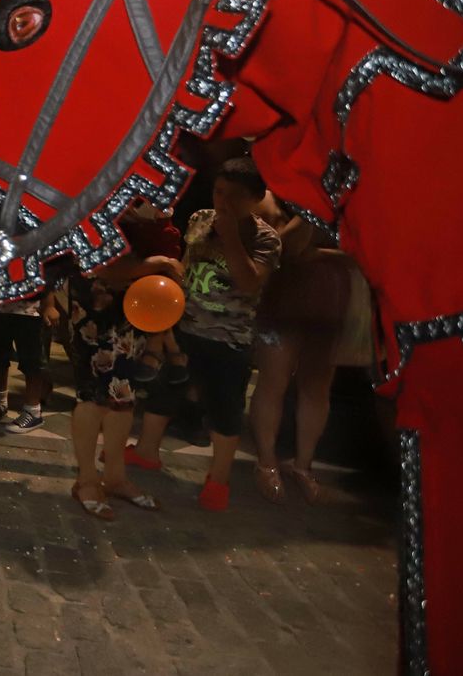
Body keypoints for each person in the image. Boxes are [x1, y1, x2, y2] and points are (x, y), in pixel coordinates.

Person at [137, 158, 281, 511]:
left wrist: (232, 237)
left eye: (234, 196)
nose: (223, 202)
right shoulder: (200, 218)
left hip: (229, 337)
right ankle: (145, 452)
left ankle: (218, 480)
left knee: (225, 409)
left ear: (256, 197)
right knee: (165, 389)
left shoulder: (266, 239)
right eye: (219, 192)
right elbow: (188, 263)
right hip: (187, 326)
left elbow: (250, 284)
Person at [65, 206, 182, 520]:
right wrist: (153, 264)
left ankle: (115, 477)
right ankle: (87, 479)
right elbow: (95, 260)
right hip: (98, 305)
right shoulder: (96, 191)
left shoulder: (146, 185)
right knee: (92, 396)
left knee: (124, 396)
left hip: (135, 305)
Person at [248, 203, 355, 505]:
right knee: (273, 382)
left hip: (330, 302)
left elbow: (367, 256)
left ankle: (303, 467)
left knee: (317, 388)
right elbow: (288, 247)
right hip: (284, 301)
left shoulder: (352, 204)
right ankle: (266, 461)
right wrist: (312, 209)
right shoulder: (277, 200)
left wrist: (321, 254)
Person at [0, 286, 57, 429]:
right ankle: (0, 403)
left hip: (29, 310)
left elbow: (45, 273)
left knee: (32, 361)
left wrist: (49, 305)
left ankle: (33, 410)